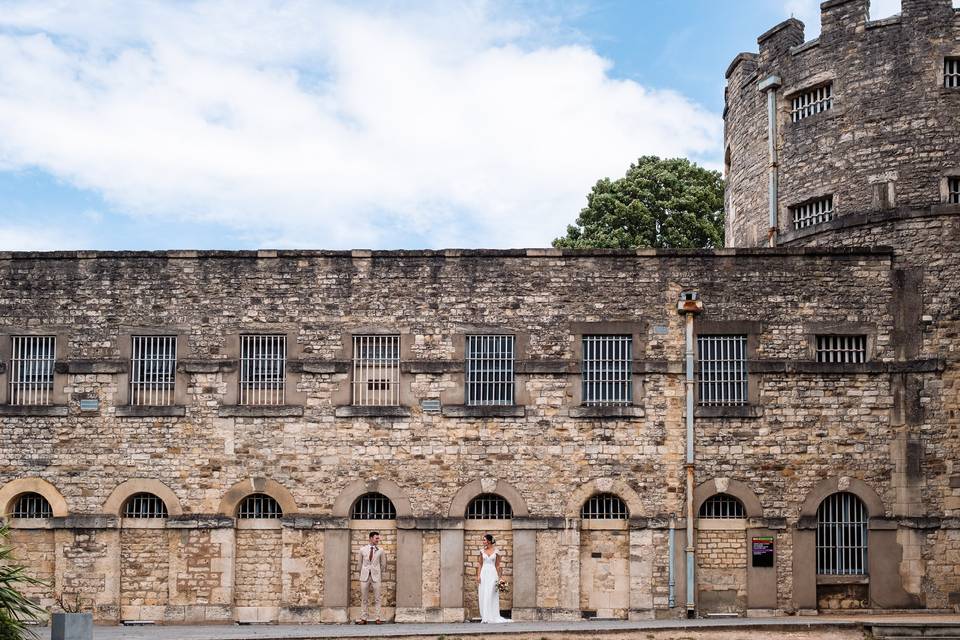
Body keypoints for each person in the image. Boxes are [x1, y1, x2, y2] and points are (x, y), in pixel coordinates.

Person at [476, 533, 511, 624]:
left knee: (491, 594)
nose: (483, 541)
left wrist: (500, 578)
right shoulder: (482, 551)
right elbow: (480, 564)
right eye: (483, 540)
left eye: (484, 540)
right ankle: (485, 617)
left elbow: (498, 565)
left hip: (492, 574)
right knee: (484, 593)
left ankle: (492, 616)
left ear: (489, 541)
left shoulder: (496, 552)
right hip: (484, 574)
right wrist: (478, 575)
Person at [357, 531, 387, 624]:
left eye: (378, 538)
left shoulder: (380, 550)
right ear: (370, 538)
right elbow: (359, 564)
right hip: (364, 577)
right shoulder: (362, 549)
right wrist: (362, 573)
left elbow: (383, 564)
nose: (378, 540)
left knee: (377, 598)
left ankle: (377, 618)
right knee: (364, 598)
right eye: (376, 538)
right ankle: (364, 618)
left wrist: (377, 572)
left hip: (376, 577)